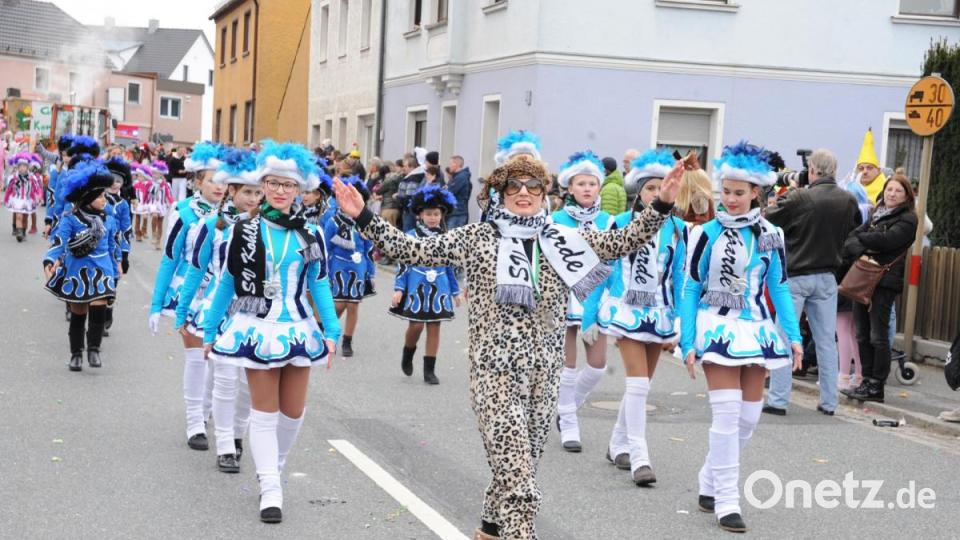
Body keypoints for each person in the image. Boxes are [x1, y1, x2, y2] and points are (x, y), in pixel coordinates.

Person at [333, 152, 682, 540]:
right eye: (513, 186)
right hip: (493, 372)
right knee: (521, 485)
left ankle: (489, 531)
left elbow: (622, 241)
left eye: (532, 186)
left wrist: (662, 203)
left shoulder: (564, 239)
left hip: (545, 374)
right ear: (499, 193)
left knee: (518, 468)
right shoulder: (479, 237)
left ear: (545, 193)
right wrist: (364, 216)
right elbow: (411, 251)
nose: (523, 193)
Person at [202, 141, 341, 524]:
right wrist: (210, 330)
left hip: (297, 327)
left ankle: (275, 468)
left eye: (288, 185)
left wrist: (333, 329)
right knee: (264, 414)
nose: (280, 191)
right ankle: (270, 488)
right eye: (273, 183)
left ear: (300, 190)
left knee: (293, 413)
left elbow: (320, 285)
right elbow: (228, 284)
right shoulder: (243, 230)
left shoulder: (310, 235)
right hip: (256, 326)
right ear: (263, 185)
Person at [681, 142, 802, 533]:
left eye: (738, 193)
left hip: (757, 329)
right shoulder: (705, 233)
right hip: (715, 327)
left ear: (755, 192)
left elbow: (780, 287)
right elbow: (690, 287)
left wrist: (794, 336)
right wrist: (687, 341)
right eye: (725, 192)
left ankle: (709, 478)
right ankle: (726, 501)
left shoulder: (771, 234)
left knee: (749, 418)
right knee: (728, 413)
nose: (730, 200)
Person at [598, 148, 687, 485]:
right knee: (636, 384)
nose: (655, 193)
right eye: (650, 188)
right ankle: (639, 456)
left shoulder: (678, 229)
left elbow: (680, 277)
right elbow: (602, 269)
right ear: (639, 190)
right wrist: (592, 314)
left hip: (661, 312)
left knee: (643, 386)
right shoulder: (620, 223)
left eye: (661, 187)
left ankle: (617, 443)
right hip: (627, 309)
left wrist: (679, 321)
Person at [176, 149, 263, 473]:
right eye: (247, 192)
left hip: (254, 312)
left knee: (247, 382)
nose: (253, 198)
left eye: (258, 192)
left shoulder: (269, 226)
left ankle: (238, 435)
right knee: (225, 377)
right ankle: (225, 444)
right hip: (218, 309)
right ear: (232, 190)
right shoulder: (212, 225)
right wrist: (183, 310)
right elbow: (196, 270)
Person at [763, 149, 859, 416]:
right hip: (828, 276)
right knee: (827, 340)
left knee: (784, 336)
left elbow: (767, 218)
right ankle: (829, 402)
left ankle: (779, 400)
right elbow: (853, 231)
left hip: (795, 276)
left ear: (812, 170)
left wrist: (793, 188)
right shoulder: (848, 200)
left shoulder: (801, 196)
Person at [148, 143, 226, 451]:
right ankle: (195, 421)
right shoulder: (183, 213)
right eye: (212, 181)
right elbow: (169, 259)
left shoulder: (233, 215)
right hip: (191, 294)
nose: (219, 187)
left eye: (223, 181)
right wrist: (156, 304)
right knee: (197, 358)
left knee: (216, 360)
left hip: (223, 296)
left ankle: (206, 409)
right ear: (197, 182)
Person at [551, 151, 615, 454]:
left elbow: (616, 262)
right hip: (565, 297)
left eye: (592, 183)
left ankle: (566, 408)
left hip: (596, 299)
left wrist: (610, 298)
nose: (587, 188)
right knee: (567, 365)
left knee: (598, 366)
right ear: (570, 188)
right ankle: (570, 424)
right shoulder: (555, 220)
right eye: (581, 183)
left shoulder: (608, 221)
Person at [841, 173, 918, 403]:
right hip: (864, 278)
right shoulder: (876, 213)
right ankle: (865, 380)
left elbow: (887, 242)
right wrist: (869, 240)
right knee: (862, 333)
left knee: (878, 335)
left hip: (884, 282)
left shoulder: (908, 219)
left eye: (898, 191)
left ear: (906, 196)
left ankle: (877, 386)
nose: (892, 194)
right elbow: (852, 238)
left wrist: (866, 241)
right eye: (889, 189)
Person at [42, 162, 121, 371]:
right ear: (86, 198)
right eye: (99, 197)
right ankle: (76, 353)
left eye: (104, 196)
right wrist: (50, 261)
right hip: (77, 272)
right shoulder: (70, 219)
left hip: (102, 271)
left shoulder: (109, 219)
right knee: (78, 313)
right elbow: (59, 242)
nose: (104, 200)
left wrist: (117, 266)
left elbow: (113, 246)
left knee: (99, 309)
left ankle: (93, 349)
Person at [390, 184, 462, 384]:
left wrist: (455, 292)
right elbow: (403, 265)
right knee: (416, 326)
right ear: (420, 215)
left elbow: (449, 267)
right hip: (416, 286)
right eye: (429, 214)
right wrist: (399, 289)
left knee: (434, 326)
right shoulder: (411, 237)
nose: (433, 217)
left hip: (439, 288)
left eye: (436, 214)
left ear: (442, 216)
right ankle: (408, 351)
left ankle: (429, 369)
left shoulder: (446, 239)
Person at [324, 175, 376, 357]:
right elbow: (326, 248)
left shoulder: (365, 223)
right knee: (338, 304)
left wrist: (371, 271)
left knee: (353, 304)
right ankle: (329, 331)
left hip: (358, 267)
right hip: (338, 266)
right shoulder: (332, 222)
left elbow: (369, 249)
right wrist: (325, 270)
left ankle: (348, 340)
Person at [4, 153, 39, 241]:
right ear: (18, 167)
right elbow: (8, 189)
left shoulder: (31, 178)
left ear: (27, 167)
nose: (22, 168)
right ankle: (19, 232)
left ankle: (23, 232)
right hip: (17, 199)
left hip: (27, 200)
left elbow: (37, 188)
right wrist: (6, 198)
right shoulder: (14, 177)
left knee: (25, 218)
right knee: (18, 216)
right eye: (21, 166)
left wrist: (39, 197)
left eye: (24, 166)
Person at [855, 129, 886, 204]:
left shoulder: (885, 190)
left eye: (869, 168)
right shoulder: (854, 188)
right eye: (861, 168)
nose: (864, 172)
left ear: (878, 170)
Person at [147, 160, 174, 250]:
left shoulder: (166, 184)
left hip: (162, 205)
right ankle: (154, 233)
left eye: (157, 174)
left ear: (161, 174)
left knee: (160, 223)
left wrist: (172, 204)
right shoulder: (150, 183)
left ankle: (158, 241)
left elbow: (169, 195)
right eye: (153, 173)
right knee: (155, 216)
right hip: (153, 204)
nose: (154, 175)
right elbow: (149, 194)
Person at [445, 155, 472, 229]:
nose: (449, 166)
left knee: (453, 238)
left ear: (456, 164)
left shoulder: (461, 177)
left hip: (457, 214)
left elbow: (449, 192)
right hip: (454, 213)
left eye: (450, 164)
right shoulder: (456, 177)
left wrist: (446, 188)